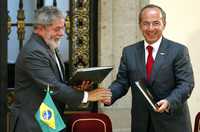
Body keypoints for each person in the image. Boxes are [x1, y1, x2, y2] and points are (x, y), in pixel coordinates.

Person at [9, 6, 111, 132]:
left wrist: (73, 88)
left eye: (63, 28)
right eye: (57, 29)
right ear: (40, 28)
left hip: (47, 122)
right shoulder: (34, 52)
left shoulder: (48, 46)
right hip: (32, 125)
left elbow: (53, 84)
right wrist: (87, 96)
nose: (62, 33)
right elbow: (52, 87)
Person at [103, 4, 194, 132]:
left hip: (172, 123)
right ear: (140, 25)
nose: (150, 28)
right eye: (146, 24)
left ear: (164, 24)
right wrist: (109, 94)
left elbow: (186, 84)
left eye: (156, 23)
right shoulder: (129, 52)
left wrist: (169, 101)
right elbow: (122, 82)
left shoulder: (178, 51)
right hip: (142, 124)